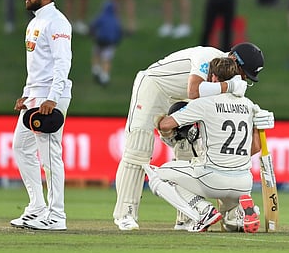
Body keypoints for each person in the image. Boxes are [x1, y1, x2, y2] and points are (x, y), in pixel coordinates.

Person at [113, 42, 265, 231]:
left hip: (184, 98)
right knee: (139, 149)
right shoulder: (208, 56)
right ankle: (126, 214)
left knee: (190, 148)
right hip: (155, 87)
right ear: (234, 60)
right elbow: (194, 90)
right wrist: (229, 86)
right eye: (243, 74)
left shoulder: (226, 78)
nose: (242, 80)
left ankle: (187, 217)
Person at [144, 57, 274, 232]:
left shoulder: (204, 103)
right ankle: (241, 214)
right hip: (243, 183)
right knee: (229, 226)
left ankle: (204, 210)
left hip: (212, 178)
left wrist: (160, 118)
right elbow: (257, 147)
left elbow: (166, 125)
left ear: (213, 78)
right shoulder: (249, 105)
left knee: (158, 175)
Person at [10, 0, 73, 231]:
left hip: (50, 98)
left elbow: (62, 62)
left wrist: (52, 99)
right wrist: (27, 93)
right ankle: (37, 207)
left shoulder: (57, 23)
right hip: (35, 95)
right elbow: (37, 66)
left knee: (50, 156)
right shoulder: (36, 22)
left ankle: (56, 215)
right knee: (21, 148)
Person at [89, 0, 123, 86]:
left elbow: (93, 25)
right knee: (107, 58)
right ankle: (105, 76)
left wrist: (92, 34)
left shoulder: (102, 17)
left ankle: (96, 69)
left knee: (96, 54)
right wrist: (117, 41)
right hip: (110, 43)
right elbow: (119, 32)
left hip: (99, 40)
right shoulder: (115, 20)